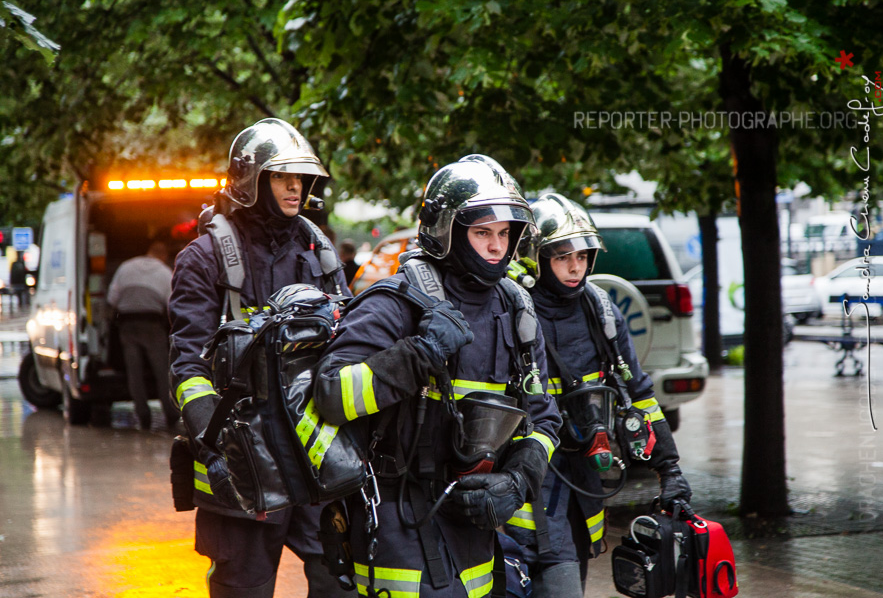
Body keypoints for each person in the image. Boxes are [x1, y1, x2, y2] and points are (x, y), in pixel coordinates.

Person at [313, 156, 561, 597]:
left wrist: (518, 480)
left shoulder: (518, 310)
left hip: (475, 527)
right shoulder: (394, 304)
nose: (495, 247)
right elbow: (331, 395)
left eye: (505, 234)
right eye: (482, 232)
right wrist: (419, 353)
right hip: (399, 527)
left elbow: (544, 420)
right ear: (446, 231)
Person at [168, 118, 354, 598]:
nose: (296, 187)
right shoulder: (205, 257)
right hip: (244, 460)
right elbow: (188, 364)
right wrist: (214, 445)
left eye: (302, 177)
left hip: (315, 451)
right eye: (281, 175)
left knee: (341, 581)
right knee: (242, 588)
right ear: (250, 179)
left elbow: (349, 344)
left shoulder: (321, 253)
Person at [504, 193, 692, 597]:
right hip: (524, 479)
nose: (576, 268)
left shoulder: (600, 310)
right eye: (562, 257)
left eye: (584, 256)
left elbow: (639, 394)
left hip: (584, 476)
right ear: (536, 258)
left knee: (569, 567)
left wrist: (669, 469)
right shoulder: (509, 310)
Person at [107, 237, 180, 429]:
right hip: (153, 325)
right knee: (162, 372)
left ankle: (143, 415)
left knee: (135, 372)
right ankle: (170, 414)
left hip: (127, 325)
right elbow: (171, 305)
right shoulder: (165, 273)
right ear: (163, 255)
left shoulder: (125, 267)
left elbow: (111, 299)